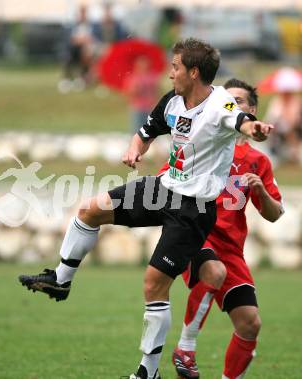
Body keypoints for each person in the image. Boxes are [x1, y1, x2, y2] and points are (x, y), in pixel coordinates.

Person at [19, 38, 273, 379]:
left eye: (176, 67)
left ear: (194, 72)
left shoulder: (220, 104)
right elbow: (146, 131)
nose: (170, 73)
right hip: (162, 190)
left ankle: (147, 371)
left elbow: (240, 120)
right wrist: (134, 147)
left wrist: (253, 128)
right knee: (89, 210)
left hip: (193, 211)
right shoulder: (173, 101)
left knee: (154, 284)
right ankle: (61, 280)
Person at [164, 78, 284, 379]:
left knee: (249, 323)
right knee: (213, 272)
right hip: (197, 234)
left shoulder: (258, 161)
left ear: (252, 111)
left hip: (231, 250)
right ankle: (185, 349)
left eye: (238, 101)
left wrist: (261, 192)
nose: (229, 106)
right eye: (225, 100)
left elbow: (275, 214)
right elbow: (165, 181)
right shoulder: (200, 144)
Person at [59, 5, 95, 93]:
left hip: (88, 50)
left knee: (86, 54)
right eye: (81, 13)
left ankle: (82, 79)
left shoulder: (92, 27)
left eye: (84, 13)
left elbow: (93, 39)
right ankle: (67, 79)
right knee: (70, 55)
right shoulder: (72, 27)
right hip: (74, 50)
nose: (83, 16)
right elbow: (71, 40)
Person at [124, 55, 161, 134]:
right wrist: (136, 90)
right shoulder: (133, 77)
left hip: (150, 107)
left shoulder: (152, 76)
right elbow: (129, 93)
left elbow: (156, 91)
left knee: (149, 130)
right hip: (138, 107)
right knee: (137, 130)